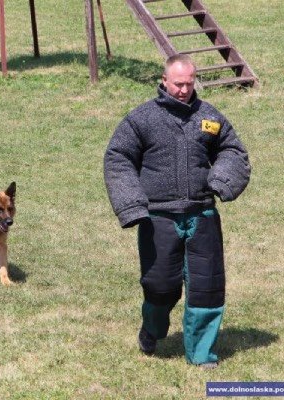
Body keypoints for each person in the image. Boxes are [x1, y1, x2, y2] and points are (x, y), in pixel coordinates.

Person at [103, 54, 251, 368]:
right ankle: (152, 329)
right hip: (158, 218)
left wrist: (222, 180)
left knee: (206, 288)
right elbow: (118, 158)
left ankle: (201, 354)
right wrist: (131, 204)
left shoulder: (210, 117)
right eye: (177, 84)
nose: (184, 90)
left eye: (188, 83)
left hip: (202, 215)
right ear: (164, 80)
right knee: (159, 286)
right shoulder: (141, 119)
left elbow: (232, 150)